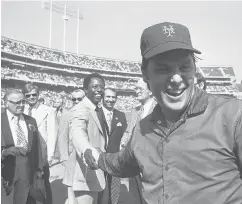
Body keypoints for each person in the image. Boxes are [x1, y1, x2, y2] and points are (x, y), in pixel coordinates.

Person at [87, 22, 242, 204]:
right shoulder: (142, 129)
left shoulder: (233, 117)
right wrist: (97, 157)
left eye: (184, 67)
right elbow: (122, 164)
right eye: (163, 69)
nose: (176, 78)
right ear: (145, 74)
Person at [62, 73, 106, 204]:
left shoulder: (96, 108)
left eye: (102, 87)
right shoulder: (81, 109)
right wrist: (86, 149)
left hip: (91, 171)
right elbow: (77, 131)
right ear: (85, 90)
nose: (99, 90)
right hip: (84, 173)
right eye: (95, 86)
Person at [1, 90, 43, 204]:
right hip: (5, 167)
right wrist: (3, 152)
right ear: (6, 103)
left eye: (23, 101)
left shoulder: (31, 120)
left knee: (21, 200)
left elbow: (36, 146)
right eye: (17, 102)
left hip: (26, 168)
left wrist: (39, 169)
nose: (21, 105)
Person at [23, 83, 57, 204]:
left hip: (42, 152)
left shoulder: (49, 111)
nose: (31, 97)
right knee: (29, 182)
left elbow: (53, 134)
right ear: (25, 97)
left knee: (44, 182)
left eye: (34, 95)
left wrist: (50, 156)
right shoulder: (23, 109)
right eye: (28, 95)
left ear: (38, 95)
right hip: (27, 152)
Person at [99, 88, 127, 204]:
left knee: (114, 188)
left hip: (115, 157)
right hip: (99, 156)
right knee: (99, 186)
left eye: (113, 97)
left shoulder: (121, 115)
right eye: (108, 97)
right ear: (102, 98)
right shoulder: (96, 113)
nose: (110, 100)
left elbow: (125, 133)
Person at [58, 89, 85, 204]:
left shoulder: (91, 112)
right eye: (74, 99)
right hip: (71, 155)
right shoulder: (67, 114)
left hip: (86, 156)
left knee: (85, 188)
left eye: (79, 99)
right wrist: (64, 156)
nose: (76, 101)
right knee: (71, 187)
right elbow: (62, 137)